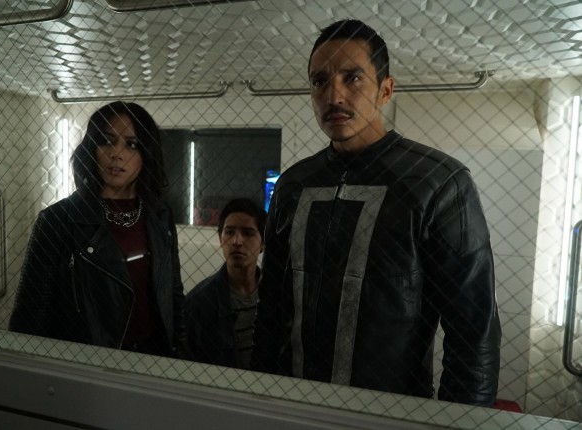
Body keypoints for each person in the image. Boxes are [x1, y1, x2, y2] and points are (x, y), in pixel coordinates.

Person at [252, 19, 501, 406]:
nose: (334, 95)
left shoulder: (438, 183)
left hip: (392, 413)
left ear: (385, 90)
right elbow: (271, 311)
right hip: (295, 405)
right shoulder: (293, 185)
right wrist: (262, 402)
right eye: (320, 81)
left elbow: (473, 330)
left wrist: (459, 422)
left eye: (352, 78)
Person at [9, 101, 185, 358]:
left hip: (154, 355)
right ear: (91, 148)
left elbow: (173, 292)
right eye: (106, 141)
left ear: (147, 153)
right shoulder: (58, 220)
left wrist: (180, 354)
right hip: (87, 361)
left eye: (131, 144)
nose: (117, 153)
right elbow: (30, 314)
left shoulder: (160, 215)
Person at [184, 198, 266, 369]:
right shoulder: (198, 304)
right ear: (221, 239)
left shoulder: (277, 297)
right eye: (229, 232)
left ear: (262, 244)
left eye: (248, 233)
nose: (237, 241)